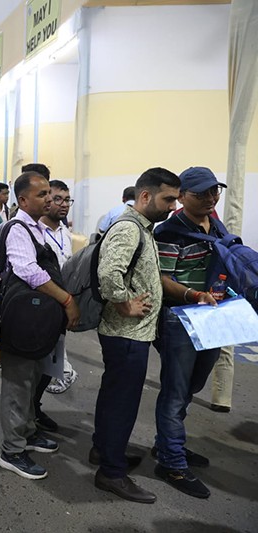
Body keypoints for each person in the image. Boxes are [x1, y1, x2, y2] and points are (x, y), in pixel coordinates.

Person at [92, 167, 180, 504]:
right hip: (126, 332)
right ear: (145, 196)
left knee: (114, 396)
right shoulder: (129, 229)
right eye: (167, 198)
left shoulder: (143, 228)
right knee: (122, 403)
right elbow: (108, 273)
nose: (173, 205)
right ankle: (111, 474)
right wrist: (125, 305)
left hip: (132, 333)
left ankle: (103, 451)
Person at [0, 172, 80, 480]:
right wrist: (67, 300)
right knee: (18, 385)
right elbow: (28, 271)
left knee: (32, 378)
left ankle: (28, 433)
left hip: (37, 320)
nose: (50, 199)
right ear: (23, 200)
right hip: (22, 321)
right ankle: (12, 450)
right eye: (43, 194)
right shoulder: (18, 229)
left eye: (51, 193)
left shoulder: (38, 228)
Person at [152, 167, 225, 499]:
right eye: (202, 194)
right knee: (176, 392)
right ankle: (172, 463)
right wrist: (195, 295)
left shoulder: (214, 222)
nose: (211, 198)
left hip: (211, 316)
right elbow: (163, 280)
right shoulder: (169, 231)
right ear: (182, 197)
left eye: (214, 191)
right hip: (181, 318)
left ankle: (167, 443)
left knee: (193, 385)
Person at [38, 181, 78, 405]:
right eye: (58, 199)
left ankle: (37, 408)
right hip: (42, 303)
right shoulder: (35, 232)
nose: (64, 205)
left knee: (54, 351)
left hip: (63, 302)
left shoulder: (65, 232)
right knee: (36, 361)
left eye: (67, 200)